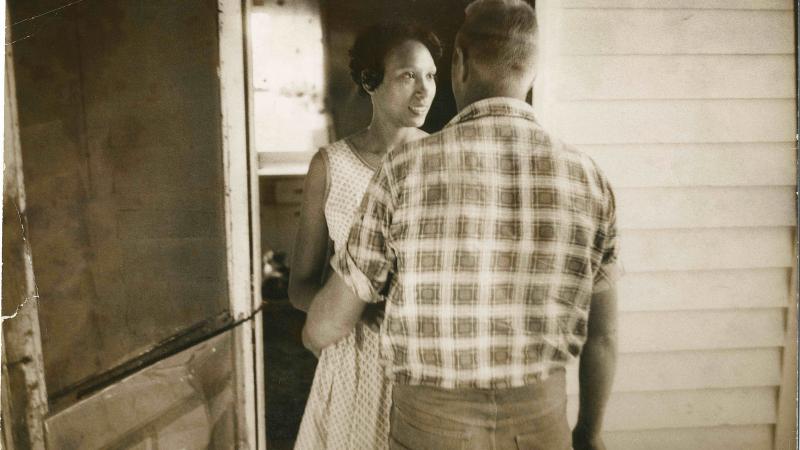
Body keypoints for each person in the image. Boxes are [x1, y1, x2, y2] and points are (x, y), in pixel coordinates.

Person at [303, 1, 621, 449]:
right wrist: (588, 432)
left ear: (459, 63)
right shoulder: (589, 178)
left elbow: (327, 325)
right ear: (532, 71)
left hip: (432, 426)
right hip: (539, 423)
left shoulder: (404, 170)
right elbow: (603, 337)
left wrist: (312, 330)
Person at [289, 21, 441, 450]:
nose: (424, 89)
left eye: (430, 76)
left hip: (424, 363)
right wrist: (352, 308)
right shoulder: (331, 165)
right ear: (370, 81)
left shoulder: (443, 160)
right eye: (408, 75)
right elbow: (299, 287)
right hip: (352, 363)